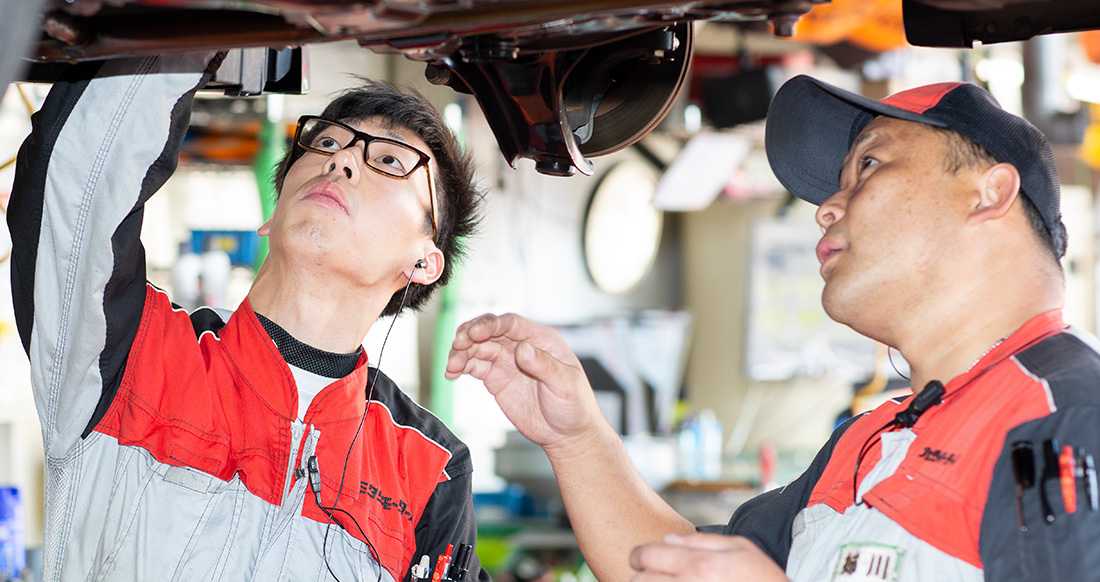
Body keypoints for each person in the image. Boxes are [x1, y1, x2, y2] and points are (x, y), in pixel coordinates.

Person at [446, 73, 1100, 582]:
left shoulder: (1072, 417)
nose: (827, 210)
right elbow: (681, 568)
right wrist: (577, 437)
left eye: (869, 166)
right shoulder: (868, 442)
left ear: (987, 194)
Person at [8, 51, 488, 582]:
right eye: (326, 142)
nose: (341, 160)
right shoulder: (132, 353)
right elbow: (77, 181)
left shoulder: (429, 471)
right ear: (272, 214)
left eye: (392, 161)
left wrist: (576, 438)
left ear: (424, 261)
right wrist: (197, 32)